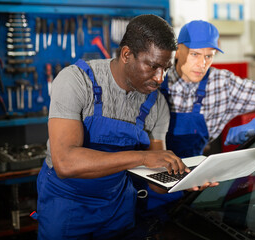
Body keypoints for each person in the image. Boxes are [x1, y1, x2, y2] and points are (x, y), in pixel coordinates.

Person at [30, 15, 215, 240]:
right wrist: (142, 158)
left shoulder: (156, 103)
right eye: (153, 66)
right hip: (67, 205)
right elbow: (65, 163)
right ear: (126, 54)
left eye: (165, 68)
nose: (160, 78)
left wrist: (184, 182)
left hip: (117, 207)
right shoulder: (76, 81)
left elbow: (156, 181)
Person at [143, 20, 255, 210]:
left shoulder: (222, 84)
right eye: (195, 54)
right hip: (149, 184)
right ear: (178, 50)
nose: (202, 64)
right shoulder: (155, 78)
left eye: (209, 56)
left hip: (192, 183)